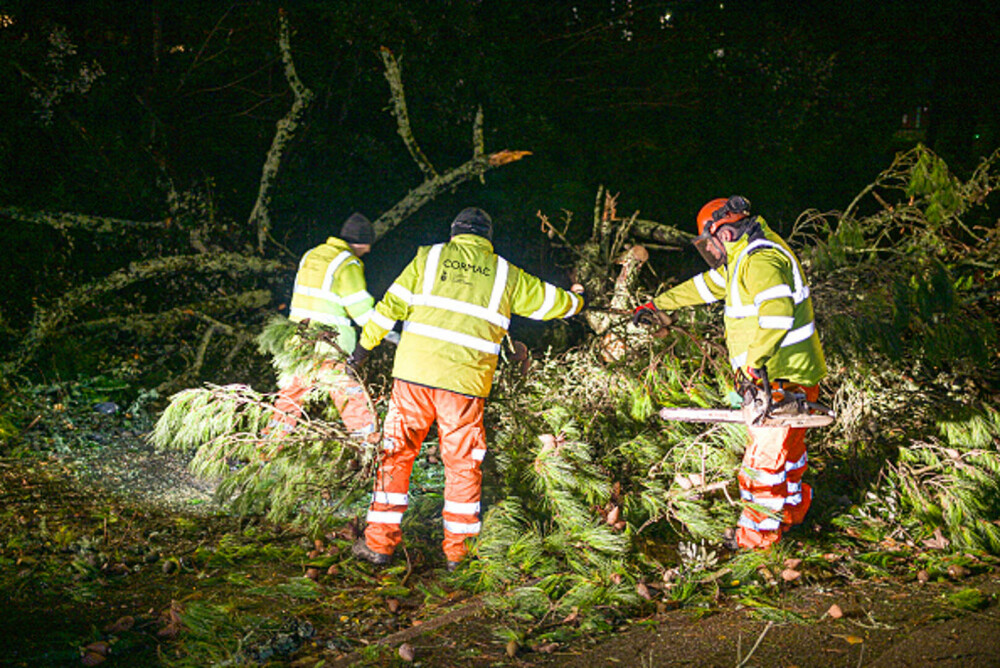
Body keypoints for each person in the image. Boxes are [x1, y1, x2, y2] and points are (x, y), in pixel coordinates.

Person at [347, 207, 584, 569]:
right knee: (462, 465)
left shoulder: (428, 259)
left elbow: (388, 307)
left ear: (454, 233)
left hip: (412, 378)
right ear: (487, 239)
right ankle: (458, 554)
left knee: (395, 455)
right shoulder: (504, 273)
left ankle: (379, 544)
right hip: (464, 387)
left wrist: (362, 351)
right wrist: (578, 299)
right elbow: (550, 303)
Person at [632, 196, 827, 550]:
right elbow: (704, 286)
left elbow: (778, 314)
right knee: (790, 453)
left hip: (779, 376)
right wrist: (657, 305)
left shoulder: (760, 260)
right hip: (789, 372)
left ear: (723, 233)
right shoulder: (743, 258)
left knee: (763, 461)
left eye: (709, 242)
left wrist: (754, 365)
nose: (709, 250)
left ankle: (757, 538)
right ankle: (793, 513)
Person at [264, 213, 381, 448]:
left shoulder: (312, 254)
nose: (368, 251)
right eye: (367, 246)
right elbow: (360, 310)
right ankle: (370, 447)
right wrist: (383, 330)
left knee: (290, 399)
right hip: (330, 344)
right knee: (349, 395)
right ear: (362, 243)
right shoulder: (347, 263)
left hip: (299, 341)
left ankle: (267, 447)